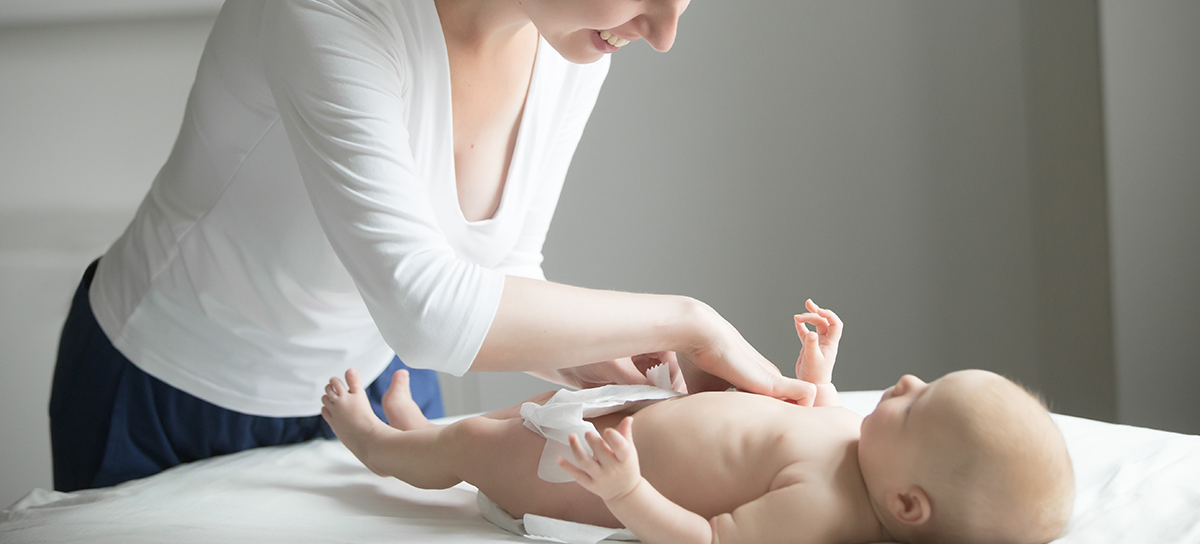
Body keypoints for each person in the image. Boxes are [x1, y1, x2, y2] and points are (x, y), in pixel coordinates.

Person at [49, 0, 812, 492]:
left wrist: (618, 371)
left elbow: (497, 268)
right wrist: (688, 322)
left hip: (377, 387)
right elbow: (426, 308)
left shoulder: (575, 28)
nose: (663, 35)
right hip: (173, 393)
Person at [321, 300, 1075, 544]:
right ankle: (417, 429)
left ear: (907, 503)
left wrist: (626, 492)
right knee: (509, 416)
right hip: (633, 414)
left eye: (919, 403)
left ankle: (381, 445)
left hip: (592, 472)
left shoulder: (824, 508)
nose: (906, 383)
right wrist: (818, 369)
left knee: (477, 446)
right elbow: (812, 410)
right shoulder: (862, 446)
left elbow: (707, 539)